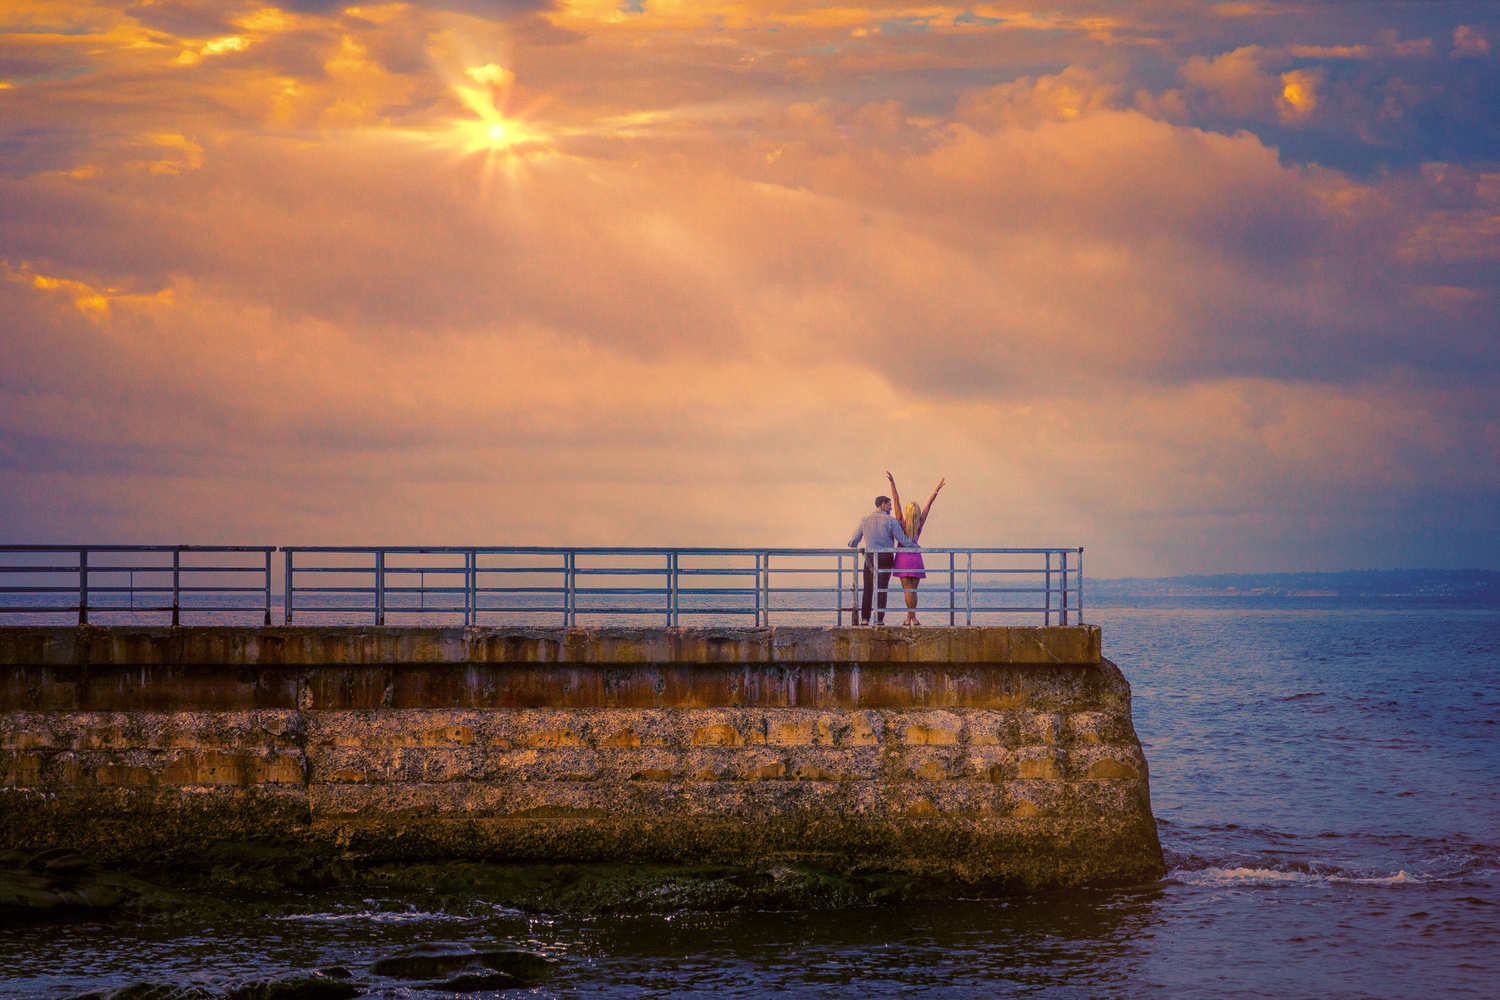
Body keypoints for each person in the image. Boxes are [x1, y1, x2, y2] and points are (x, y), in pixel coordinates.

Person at [848, 492, 919, 625]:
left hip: (870, 557)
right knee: (882, 588)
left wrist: (855, 546)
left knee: (868, 588)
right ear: (883, 504)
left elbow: (853, 540)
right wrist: (914, 546)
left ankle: (865, 619)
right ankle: (879, 619)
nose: (891, 508)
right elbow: (902, 539)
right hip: (886, 557)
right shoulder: (891, 521)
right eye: (889, 505)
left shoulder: (865, 520)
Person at [887, 472, 945, 626]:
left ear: (907, 511)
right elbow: (928, 505)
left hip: (903, 558)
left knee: (907, 590)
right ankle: (912, 618)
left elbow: (896, 500)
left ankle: (909, 619)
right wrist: (936, 490)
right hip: (916, 558)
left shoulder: (901, 522)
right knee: (913, 590)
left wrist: (892, 483)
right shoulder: (920, 522)